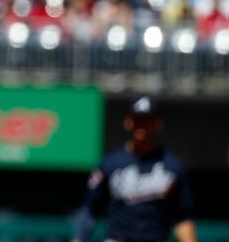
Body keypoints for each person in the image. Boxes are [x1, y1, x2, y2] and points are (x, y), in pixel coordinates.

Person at [72, 96, 197, 242]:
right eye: (137, 120)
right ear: (127, 122)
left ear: (158, 124)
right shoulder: (110, 164)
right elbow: (90, 210)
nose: (141, 126)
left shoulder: (173, 167)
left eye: (146, 121)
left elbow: (183, 217)